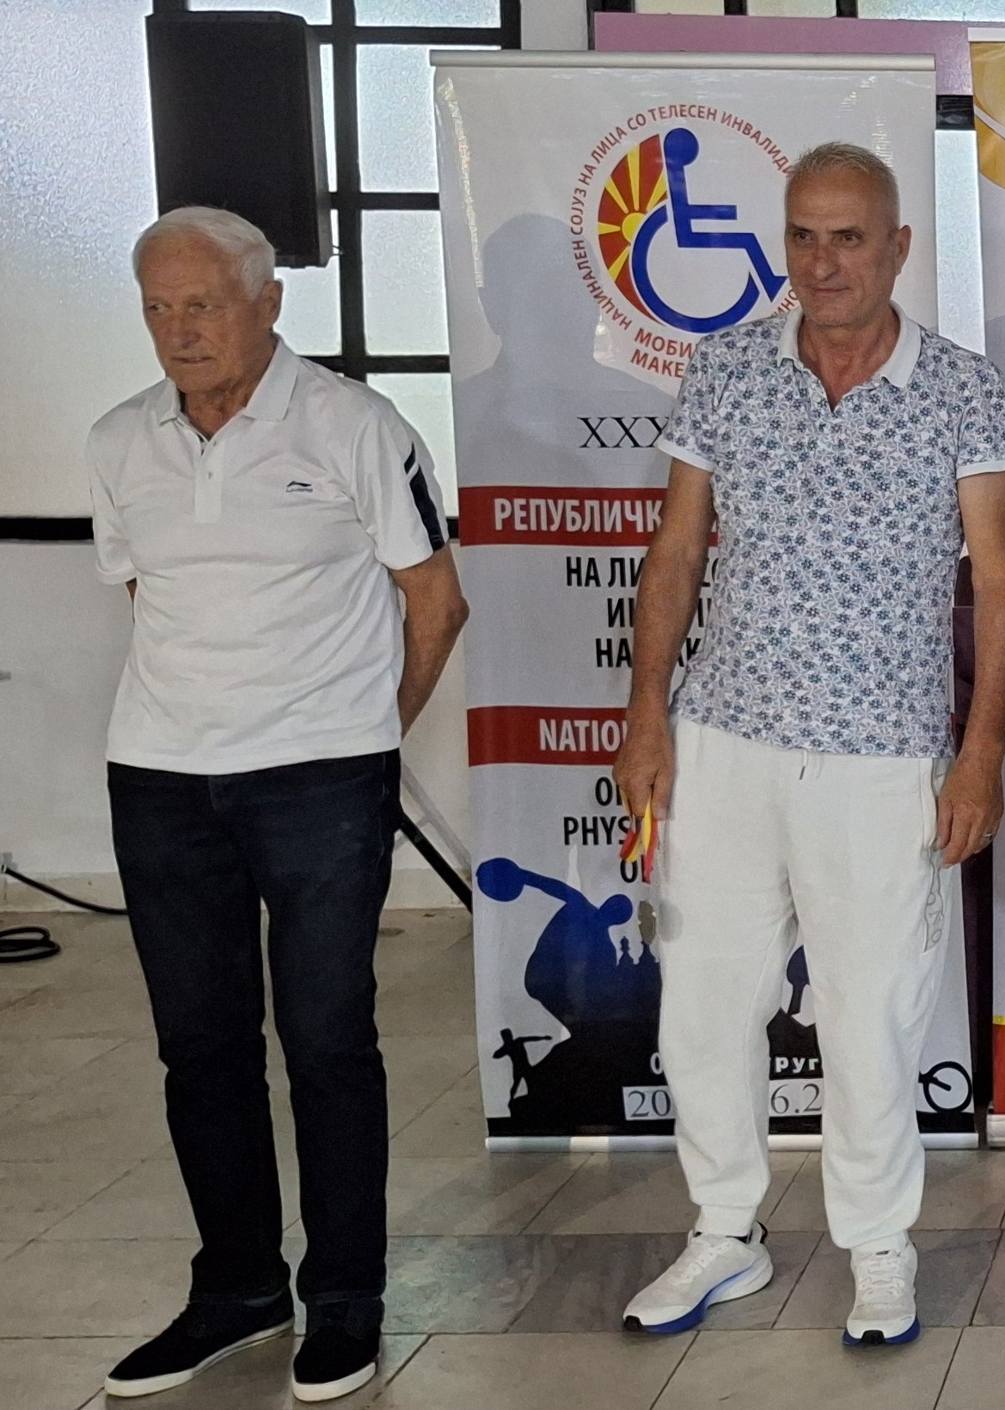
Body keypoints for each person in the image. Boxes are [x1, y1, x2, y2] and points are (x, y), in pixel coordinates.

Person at [610, 142, 1005, 1348]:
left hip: (881, 751)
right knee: (703, 1002)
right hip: (723, 738)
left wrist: (980, 756)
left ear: (898, 248)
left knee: (868, 1015)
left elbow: (998, 585)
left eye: (850, 238)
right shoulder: (726, 368)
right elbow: (676, 552)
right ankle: (724, 1231)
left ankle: (878, 1244)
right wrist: (646, 715)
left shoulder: (961, 389)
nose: (824, 261)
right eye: (803, 235)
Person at [88, 207, 469, 1402]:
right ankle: (237, 1291)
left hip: (320, 776)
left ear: (268, 303)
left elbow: (435, 600)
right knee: (199, 1047)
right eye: (158, 308)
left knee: (326, 1040)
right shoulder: (119, 439)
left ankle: (344, 1301)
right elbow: (146, 590)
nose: (179, 331)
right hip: (160, 779)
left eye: (202, 305)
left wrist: (362, 735)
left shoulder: (354, 425)